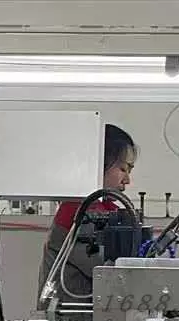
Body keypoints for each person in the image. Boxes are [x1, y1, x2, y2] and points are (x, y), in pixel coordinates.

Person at [38, 124, 137, 299]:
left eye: (129, 171)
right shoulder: (76, 209)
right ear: (99, 163)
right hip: (68, 314)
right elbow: (107, 270)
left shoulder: (109, 209)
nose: (127, 180)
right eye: (123, 169)